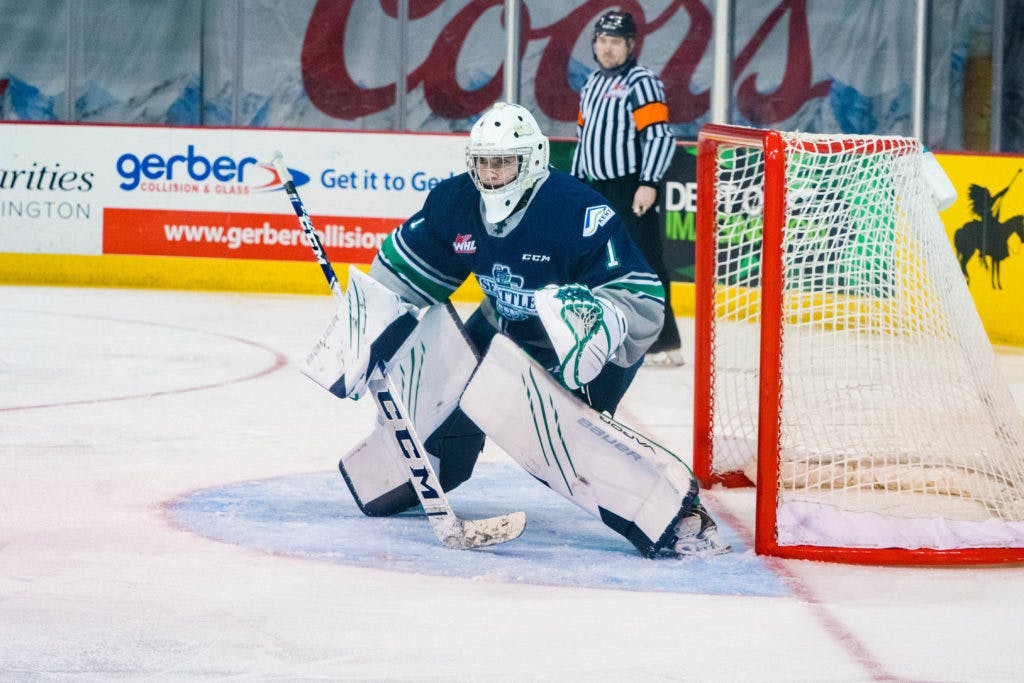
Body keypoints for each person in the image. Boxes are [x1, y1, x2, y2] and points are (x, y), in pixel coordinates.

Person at [337, 101, 728, 557]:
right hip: (506, 326)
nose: (491, 173)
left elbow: (642, 301)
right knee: (442, 381)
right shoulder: (456, 203)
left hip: (582, 348)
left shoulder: (575, 210)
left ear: (534, 160)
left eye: (503, 162)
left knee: (556, 433)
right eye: (483, 162)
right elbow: (402, 274)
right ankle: (415, 471)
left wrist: (600, 326)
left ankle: (677, 517)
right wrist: (367, 327)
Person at [570, 10, 683, 366]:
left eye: (615, 42)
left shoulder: (641, 82)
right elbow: (583, 137)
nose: (607, 48)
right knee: (598, 261)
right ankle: (610, 334)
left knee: (645, 261)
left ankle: (664, 343)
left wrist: (648, 183)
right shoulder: (591, 84)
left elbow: (658, 137)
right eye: (602, 40)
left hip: (630, 185)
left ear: (630, 45)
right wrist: (576, 185)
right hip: (596, 186)